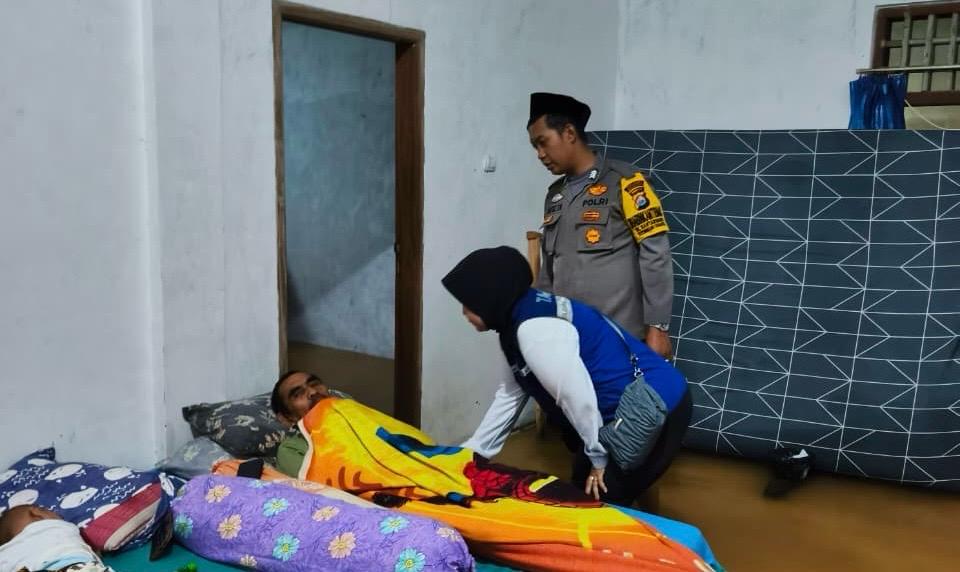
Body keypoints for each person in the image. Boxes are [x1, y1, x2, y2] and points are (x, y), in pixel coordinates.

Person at [442, 246, 692, 506]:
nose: (464, 313)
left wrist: (598, 458)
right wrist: (473, 452)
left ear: (492, 299)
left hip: (658, 407)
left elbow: (576, 397)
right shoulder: (514, 322)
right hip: (620, 411)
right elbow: (511, 394)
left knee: (599, 497)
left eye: (469, 304)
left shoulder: (534, 330)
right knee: (586, 484)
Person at [527, 92, 674, 358]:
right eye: (535, 147)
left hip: (619, 337)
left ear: (569, 133)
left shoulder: (627, 182)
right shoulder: (555, 195)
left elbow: (656, 256)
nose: (540, 154)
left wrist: (658, 328)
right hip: (569, 336)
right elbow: (549, 270)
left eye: (543, 142)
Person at [270, 370, 350, 477]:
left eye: (314, 384)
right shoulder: (292, 449)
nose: (313, 392)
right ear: (287, 418)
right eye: (298, 394)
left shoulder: (358, 418)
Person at [0, 505, 115, 572]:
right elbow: (93, 546)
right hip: (70, 567)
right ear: (37, 513)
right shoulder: (57, 526)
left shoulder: (5, 552)